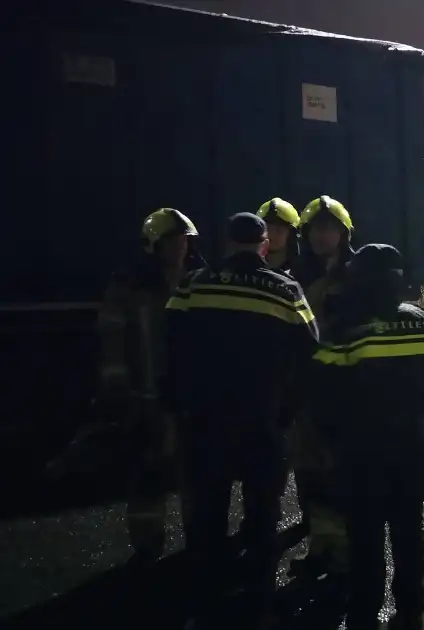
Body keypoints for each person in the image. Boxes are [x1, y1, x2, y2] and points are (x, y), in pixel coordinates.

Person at [166, 213, 318, 629]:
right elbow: (310, 355)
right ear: (264, 244)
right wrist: (290, 409)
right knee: (263, 513)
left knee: (208, 514)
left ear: (228, 243)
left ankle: (205, 603)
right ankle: (257, 602)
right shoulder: (286, 289)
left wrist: (176, 403)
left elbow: (170, 345)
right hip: (263, 421)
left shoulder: (195, 284)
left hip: (205, 420)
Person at [310, 244, 424, 630]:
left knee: (365, 530)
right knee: (408, 523)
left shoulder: (344, 327)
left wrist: (326, 441)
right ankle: (410, 607)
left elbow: (323, 391)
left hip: (362, 448)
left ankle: (365, 608)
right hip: (416, 444)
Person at [90, 208, 205, 565]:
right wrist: (119, 389)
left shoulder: (199, 279)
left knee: (195, 472)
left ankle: (198, 541)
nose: (179, 247)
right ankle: (147, 543)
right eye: (170, 240)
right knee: (148, 473)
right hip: (148, 396)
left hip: (191, 396)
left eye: (183, 240)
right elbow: (112, 336)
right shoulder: (130, 285)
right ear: (152, 245)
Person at [289, 194, 355, 579]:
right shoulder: (297, 275)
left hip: (345, 392)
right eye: (315, 229)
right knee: (311, 473)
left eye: (329, 229)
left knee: (342, 474)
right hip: (308, 390)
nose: (321, 236)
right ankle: (322, 547)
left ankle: (345, 557)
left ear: (343, 234)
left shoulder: (359, 275)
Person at [256, 197, 301, 274]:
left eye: (279, 229)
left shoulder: (303, 274)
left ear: (291, 235)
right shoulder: (245, 270)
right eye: (267, 228)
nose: (272, 234)